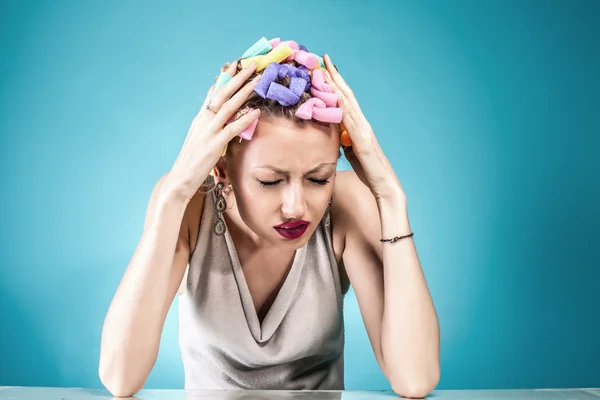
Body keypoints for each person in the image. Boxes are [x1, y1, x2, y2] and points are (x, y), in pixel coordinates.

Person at [98, 37, 440, 398]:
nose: (295, 207)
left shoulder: (348, 203)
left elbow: (415, 378)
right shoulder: (189, 205)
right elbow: (121, 377)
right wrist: (172, 195)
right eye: (270, 181)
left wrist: (390, 196)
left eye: (319, 178)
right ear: (221, 169)